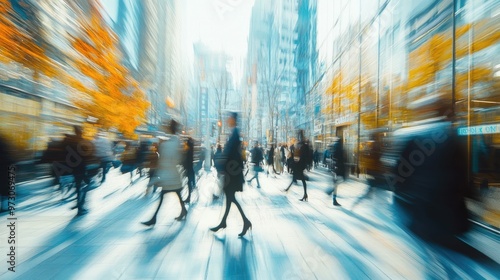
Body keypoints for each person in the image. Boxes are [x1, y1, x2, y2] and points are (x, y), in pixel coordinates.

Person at [210, 112, 252, 237]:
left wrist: (223, 166)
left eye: (229, 118)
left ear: (233, 119)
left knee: (231, 198)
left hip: (232, 173)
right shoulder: (234, 134)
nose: (227, 120)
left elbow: (232, 155)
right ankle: (237, 222)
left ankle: (241, 222)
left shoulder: (235, 134)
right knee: (230, 198)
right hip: (232, 173)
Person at [141, 120, 187, 226]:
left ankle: (154, 219)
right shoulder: (177, 143)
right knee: (175, 195)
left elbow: (162, 161)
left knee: (164, 197)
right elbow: (179, 159)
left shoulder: (166, 144)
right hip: (174, 175)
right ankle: (183, 211)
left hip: (168, 176)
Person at [59, 125, 98, 216]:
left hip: (71, 167)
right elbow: (89, 155)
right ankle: (80, 207)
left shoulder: (70, 142)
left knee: (78, 187)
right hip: (82, 168)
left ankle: (79, 204)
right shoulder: (83, 142)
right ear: (81, 132)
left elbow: (64, 153)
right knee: (84, 186)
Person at [283, 131, 310, 201]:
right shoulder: (301, 144)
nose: (298, 137)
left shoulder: (303, 145)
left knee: (300, 178)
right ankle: (305, 194)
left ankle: (304, 194)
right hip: (298, 164)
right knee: (298, 178)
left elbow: (303, 155)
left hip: (300, 164)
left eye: (299, 135)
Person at [183, 137, 196, 203]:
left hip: (189, 169)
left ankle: (189, 197)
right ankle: (189, 196)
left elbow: (187, 160)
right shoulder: (191, 149)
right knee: (190, 183)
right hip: (190, 168)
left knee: (189, 183)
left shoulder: (188, 151)